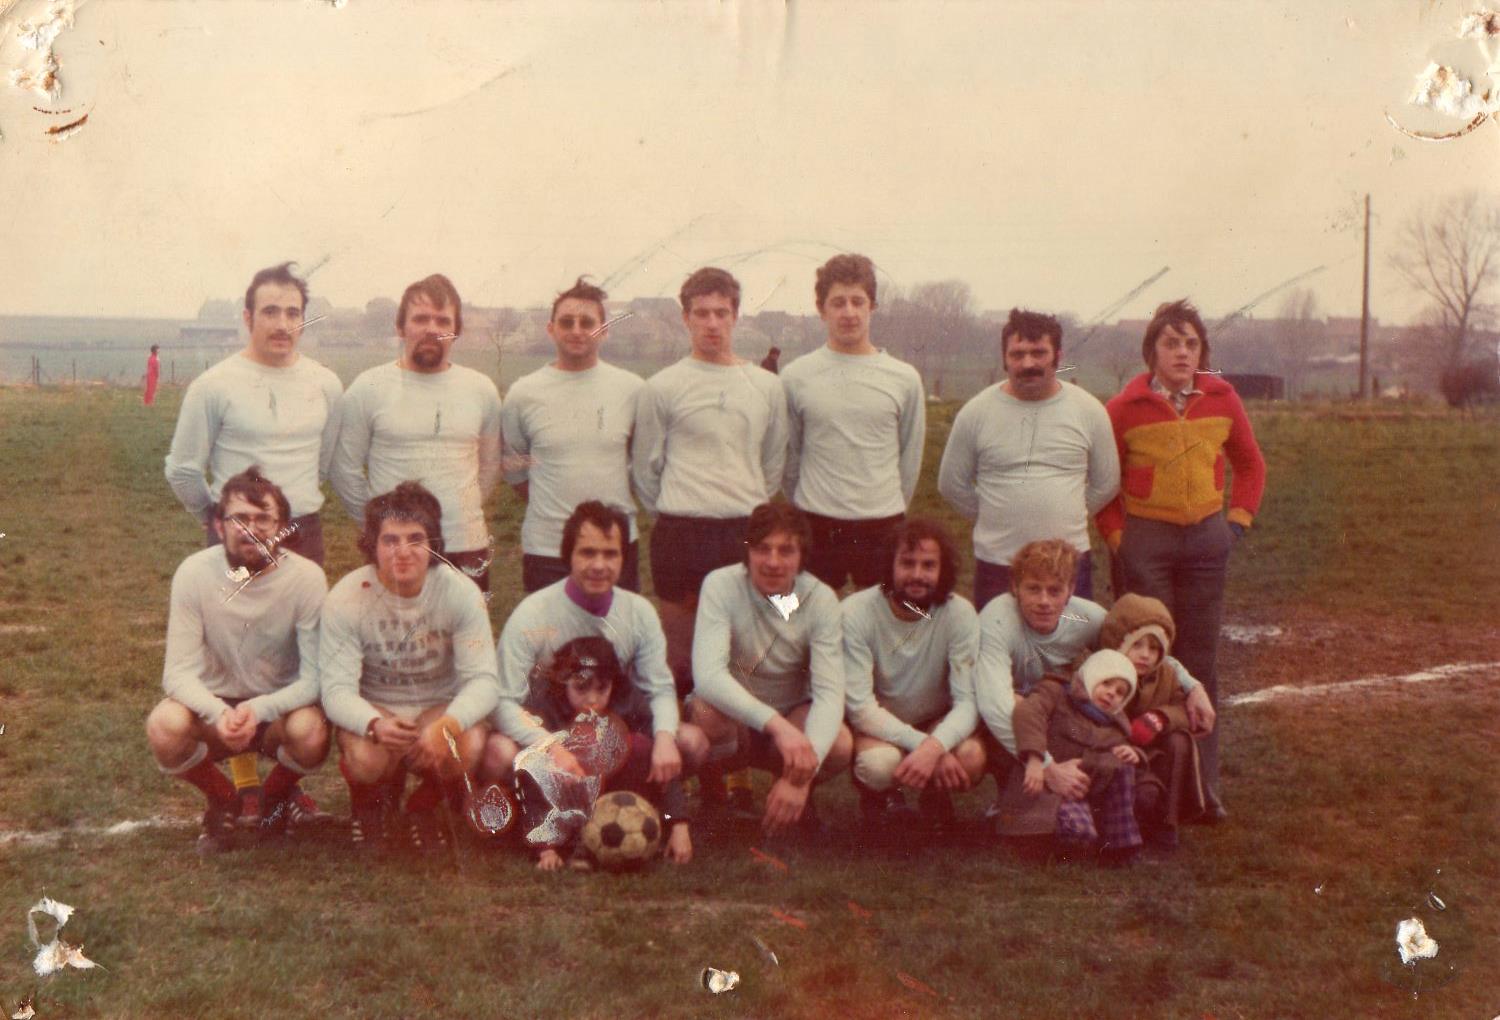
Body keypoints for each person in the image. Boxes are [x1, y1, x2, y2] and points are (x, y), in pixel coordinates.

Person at [1096, 300, 1266, 821]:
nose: (1182, 353)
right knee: (1147, 657)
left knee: (1200, 660)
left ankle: (1201, 788)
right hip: (1147, 542)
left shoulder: (1223, 398)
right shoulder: (1123, 408)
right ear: (1151, 351)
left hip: (1206, 543)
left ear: (1202, 352)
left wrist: (1236, 523)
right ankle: (1141, 782)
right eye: (1171, 343)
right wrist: (1120, 540)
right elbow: (1101, 485)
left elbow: (1251, 465)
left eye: (1191, 343)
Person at [144, 467, 329, 853]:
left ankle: (273, 797)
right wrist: (217, 712)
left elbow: (314, 679)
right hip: (215, 709)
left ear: (282, 527)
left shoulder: (307, 578)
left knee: (311, 733)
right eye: (239, 518)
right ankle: (223, 798)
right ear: (218, 525)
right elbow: (176, 673)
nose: (252, 529)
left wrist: (259, 710)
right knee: (164, 726)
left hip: (277, 710)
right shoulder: (194, 572)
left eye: (264, 519)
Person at [478, 501, 708, 805]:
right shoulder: (532, 613)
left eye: (610, 554)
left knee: (691, 742)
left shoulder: (639, 612)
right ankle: (515, 811)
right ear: (568, 556)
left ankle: (634, 802)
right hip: (549, 729)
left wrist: (665, 737)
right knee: (498, 752)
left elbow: (660, 688)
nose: (599, 565)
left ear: (623, 558)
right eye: (588, 552)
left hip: (613, 730)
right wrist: (549, 745)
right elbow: (503, 702)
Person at [632, 267, 789, 694]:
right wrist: (680, 508)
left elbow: (772, 463)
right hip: (681, 533)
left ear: (736, 316)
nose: (712, 323)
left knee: (746, 653)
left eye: (721, 313)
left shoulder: (766, 387)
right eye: (701, 313)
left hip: (744, 530)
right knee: (681, 657)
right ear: (686, 318)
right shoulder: (662, 387)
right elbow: (645, 469)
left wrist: (743, 504)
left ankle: (741, 731)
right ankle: (683, 730)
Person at [319, 481, 499, 853]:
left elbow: (483, 681)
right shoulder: (347, 596)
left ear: (433, 543)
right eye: (390, 540)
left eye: (415, 539)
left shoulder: (460, 591)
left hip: (436, 706)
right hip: (379, 707)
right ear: (372, 544)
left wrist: (447, 725)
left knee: (469, 744)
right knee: (366, 758)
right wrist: (373, 723)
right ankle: (368, 804)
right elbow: (335, 691)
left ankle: (424, 806)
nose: (403, 552)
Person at [973, 539, 1214, 809]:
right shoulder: (998, 618)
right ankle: (1012, 797)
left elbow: (1137, 644)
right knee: (1018, 706)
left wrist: (1193, 686)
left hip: (1055, 712)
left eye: (1055, 591)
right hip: (1009, 711)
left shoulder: (1080, 617)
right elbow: (995, 705)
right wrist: (1048, 767)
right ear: (1015, 587)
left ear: (1070, 591)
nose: (1044, 601)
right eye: (1033, 589)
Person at [688, 503, 853, 836]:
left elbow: (830, 693)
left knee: (839, 744)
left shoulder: (820, 598)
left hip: (792, 715)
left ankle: (794, 794)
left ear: (802, 556)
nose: (773, 561)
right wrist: (777, 726)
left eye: (786, 551)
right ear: (747, 551)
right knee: (705, 713)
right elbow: (707, 676)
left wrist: (800, 778)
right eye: (763, 549)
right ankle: (715, 798)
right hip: (736, 719)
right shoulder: (720, 585)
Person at [937, 308, 1119, 609]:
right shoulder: (976, 412)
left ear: (1057, 356)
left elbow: (1107, 482)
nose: (1028, 363)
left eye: (1038, 353)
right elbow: (951, 484)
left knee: (1072, 638)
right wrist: (993, 513)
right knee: (997, 638)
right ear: (1004, 358)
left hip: (1068, 562)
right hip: (999, 563)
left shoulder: (1089, 410)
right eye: (1017, 354)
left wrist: (1070, 510)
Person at [330, 274, 503, 592]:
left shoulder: (482, 390)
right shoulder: (368, 388)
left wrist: (461, 513)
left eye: (443, 320)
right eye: (421, 319)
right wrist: (379, 527)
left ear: (456, 330)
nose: (432, 329)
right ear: (400, 327)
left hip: (466, 546)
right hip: (396, 550)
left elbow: (490, 466)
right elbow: (344, 469)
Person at [165, 262, 342, 565]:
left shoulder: (327, 384)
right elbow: (182, 470)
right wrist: (215, 517)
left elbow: (322, 464)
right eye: (270, 312)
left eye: (292, 313)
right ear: (248, 318)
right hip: (237, 535)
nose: (283, 325)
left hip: (303, 535)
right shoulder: (212, 385)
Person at [781, 254, 925, 591]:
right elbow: (790, 456)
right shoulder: (796, 376)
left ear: (872, 307)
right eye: (838, 302)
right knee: (806, 616)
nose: (849, 312)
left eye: (857, 302)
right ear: (822, 309)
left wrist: (886, 503)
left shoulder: (904, 378)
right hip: (816, 522)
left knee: (882, 617)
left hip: (882, 524)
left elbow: (910, 457)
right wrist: (805, 503)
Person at [842, 517, 985, 833]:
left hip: (934, 719)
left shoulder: (960, 613)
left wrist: (936, 745)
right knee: (879, 766)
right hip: (878, 724)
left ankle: (935, 795)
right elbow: (860, 707)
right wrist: (928, 746)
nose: (918, 574)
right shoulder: (855, 612)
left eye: (928, 565)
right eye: (907, 563)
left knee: (971, 757)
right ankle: (879, 797)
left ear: (942, 569)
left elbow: (968, 701)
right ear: (889, 565)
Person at [502, 277, 643, 593]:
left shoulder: (632, 390)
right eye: (567, 322)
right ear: (551, 329)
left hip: (615, 546)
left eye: (587, 322)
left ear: (604, 330)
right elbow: (515, 470)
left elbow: (643, 463)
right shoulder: (523, 394)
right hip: (547, 549)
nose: (577, 330)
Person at [517, 637, 693, 870]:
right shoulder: (545, 707)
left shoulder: (628, 699)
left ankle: (639, 825)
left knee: (643, 746)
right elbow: (533, 783)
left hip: (619, 790)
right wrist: (545, 848)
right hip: (567, 796)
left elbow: (664, 765)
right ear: (563, 682)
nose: (592, 699)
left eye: (602, 689)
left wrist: (679, 825)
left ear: (613, 683)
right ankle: (571, 839)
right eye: (581, 688)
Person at [1005, 649, 1145, 864]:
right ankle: (1041, 840)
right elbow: (1028, 713)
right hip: (1043, 787)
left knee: (1124, 765)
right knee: (1076, 833)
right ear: (1092, 675)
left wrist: (1132, 752)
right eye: (1106, 683)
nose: (1111, 693)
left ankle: (1120, 845)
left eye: (1120, 692)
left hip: (1080, 791)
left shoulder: (1115, 724)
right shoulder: (1056, 692)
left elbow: (1120, 754)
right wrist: (1035, 759)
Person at [1101, 593, 1207, 850]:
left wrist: (1160, 717)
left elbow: (1183, 708)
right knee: (1142, 795)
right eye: (1137, 645)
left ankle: (1166, 822)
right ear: (1119, 642)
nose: (1145, 655)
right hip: (1113, 755)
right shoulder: (1102, 672)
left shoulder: (1167, 674)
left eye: (1154, 648)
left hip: (1152, 754)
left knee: (1180, 740)